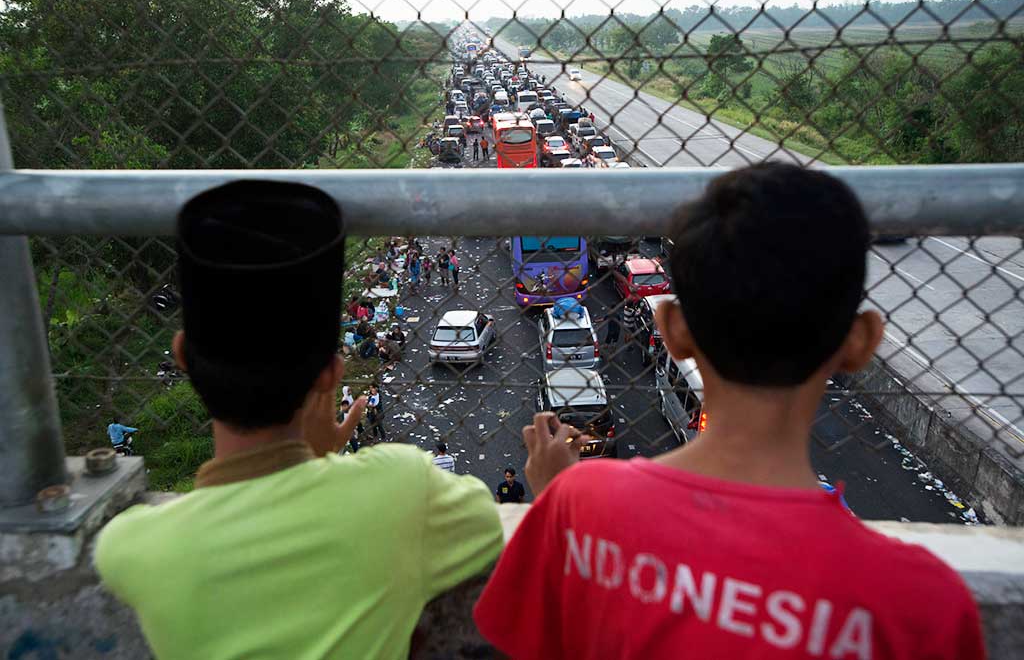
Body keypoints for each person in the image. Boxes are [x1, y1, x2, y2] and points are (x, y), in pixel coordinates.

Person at [473, 164, 985, 659]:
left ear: (672, 329)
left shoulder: (578, 507)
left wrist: (552, 497)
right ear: (861, 344)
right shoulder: (924, 602)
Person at [94, 180, 502, 660]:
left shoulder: (134, 547)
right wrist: (317, 462)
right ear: (331, 373)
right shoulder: (402, 487)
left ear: (181, 355)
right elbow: (485, 526)